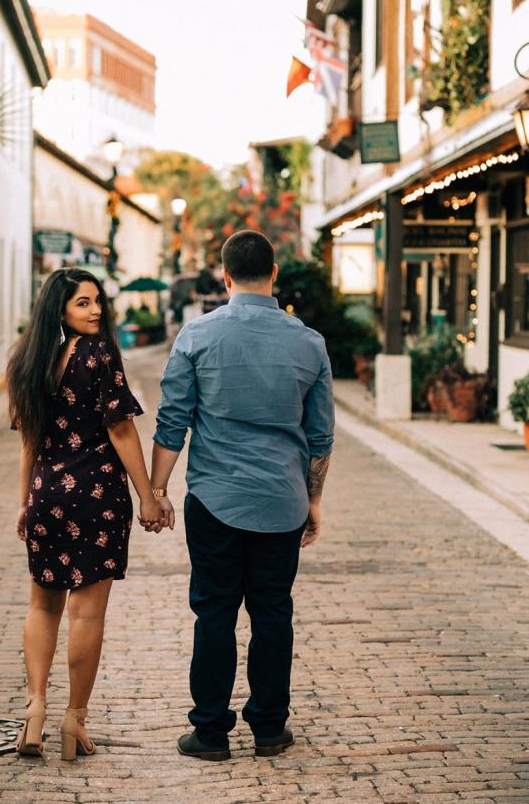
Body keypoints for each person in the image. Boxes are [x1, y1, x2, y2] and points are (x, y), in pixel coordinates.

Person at [147, 230, 335, 760]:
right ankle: (270, 730)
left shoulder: (196, 336)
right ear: (274, 275)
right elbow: (320, 437)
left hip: (213, 500)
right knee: (273, 613)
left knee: (214, 614)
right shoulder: (310, 343)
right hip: (283, 500)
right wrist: (313, 501)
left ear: (224, 277)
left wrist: (157, 491)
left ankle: (210, 732)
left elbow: (172, 422)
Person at [6, 267, 169, 760]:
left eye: (98, 300)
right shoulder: (99, 355)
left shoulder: (28, 362)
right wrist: (148, 495)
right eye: (83, 303)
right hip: (96, 495)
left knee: (42, 605)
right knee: (87, 612)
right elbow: (120, 431)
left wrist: (25, 500)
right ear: (59, 309)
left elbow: (30, 440)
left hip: (47, 493)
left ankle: (34, 708)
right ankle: (73, 719)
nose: (96, 310)